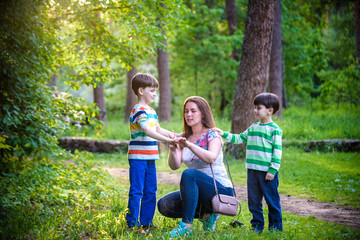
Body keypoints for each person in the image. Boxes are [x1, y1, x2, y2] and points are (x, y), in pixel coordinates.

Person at [157, 96, 235, 238]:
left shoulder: (213, 135)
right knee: (164, 204)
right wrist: (173, 149)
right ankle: (207, 216)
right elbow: (174, 166)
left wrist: (190, 145)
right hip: (199, 192)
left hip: (220, 190)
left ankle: (186, 226)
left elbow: (211, 157)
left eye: (193, 111)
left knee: (189, 174)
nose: (189, 115)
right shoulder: (184, 137)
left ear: (203, 114)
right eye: (186, 111)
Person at [213, 92, 283, 233]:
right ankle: (257, 226)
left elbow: (277, 152)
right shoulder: (253, 127)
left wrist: (272, 170)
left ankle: (275, 228)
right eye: (254, 107)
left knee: (272, 201)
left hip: (267, 173)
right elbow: (239, 138)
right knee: (253, 201)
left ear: (270, 110)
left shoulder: (275, 130)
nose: (255, 110)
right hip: (252, 171)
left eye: (258, 108)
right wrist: (224, 134)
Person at [126, 73, 176, 231]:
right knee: (137, 191)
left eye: (156, 91)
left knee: (151, 190)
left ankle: (146, 222)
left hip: (150, 158)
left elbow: (158, 128)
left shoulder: (151, 111)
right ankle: (132, 224)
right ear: (141, 91)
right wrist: (166, 141)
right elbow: (147, 130)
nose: (155, 94)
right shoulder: (138, 110)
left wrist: (175, 135)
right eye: (152, 91)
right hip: (138, 158)